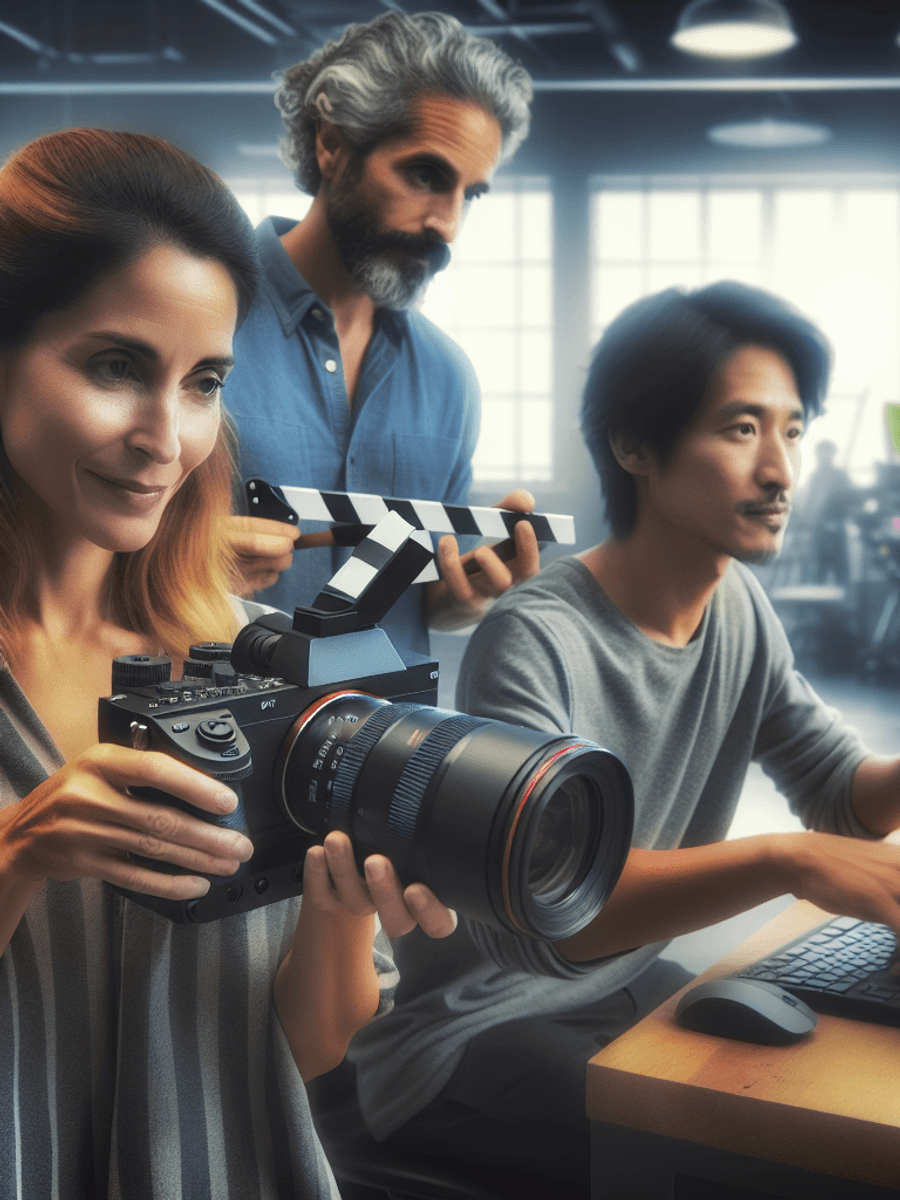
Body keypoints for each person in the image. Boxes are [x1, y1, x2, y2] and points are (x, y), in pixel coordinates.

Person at [338, 282, 900, 1195]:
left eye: (793, 431)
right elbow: (547, 920)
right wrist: (788, 860)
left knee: (834, 1102)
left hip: (617, 988)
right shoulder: (534, 633)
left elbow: (840, 796)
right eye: (742, 429)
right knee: (727, 1160)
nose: (782, 470)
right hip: (474, 1029)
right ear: (636, 444)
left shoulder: (737, 606)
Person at [0, 128, 454, 1198]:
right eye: (116, 366)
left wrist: (338, 906)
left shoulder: (245, 659)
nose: (167, 434)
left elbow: (310, 1051)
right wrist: (21, 853)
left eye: (203, 382)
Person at [223, 10, 540, 658]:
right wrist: (172, 564)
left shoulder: (450, 379)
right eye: (426, 176)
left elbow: (426, 603)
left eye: (470, 194)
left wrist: (458, 598)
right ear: (331, 143)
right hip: (212, 741)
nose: (447, 225)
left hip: (391, 747)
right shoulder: (198, 324)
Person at [799, 437, 857, 585]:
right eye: (820, 453)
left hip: (836, 530)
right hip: (818, 532)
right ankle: (817, 606)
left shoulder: (840, 476)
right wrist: (805, 524)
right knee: (818, 572)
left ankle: (842, 606)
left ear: (832, 454)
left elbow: (852, 499)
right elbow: (810, 502)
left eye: (827, 453)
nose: (823, 456)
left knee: (841, 571)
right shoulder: (814, 477)